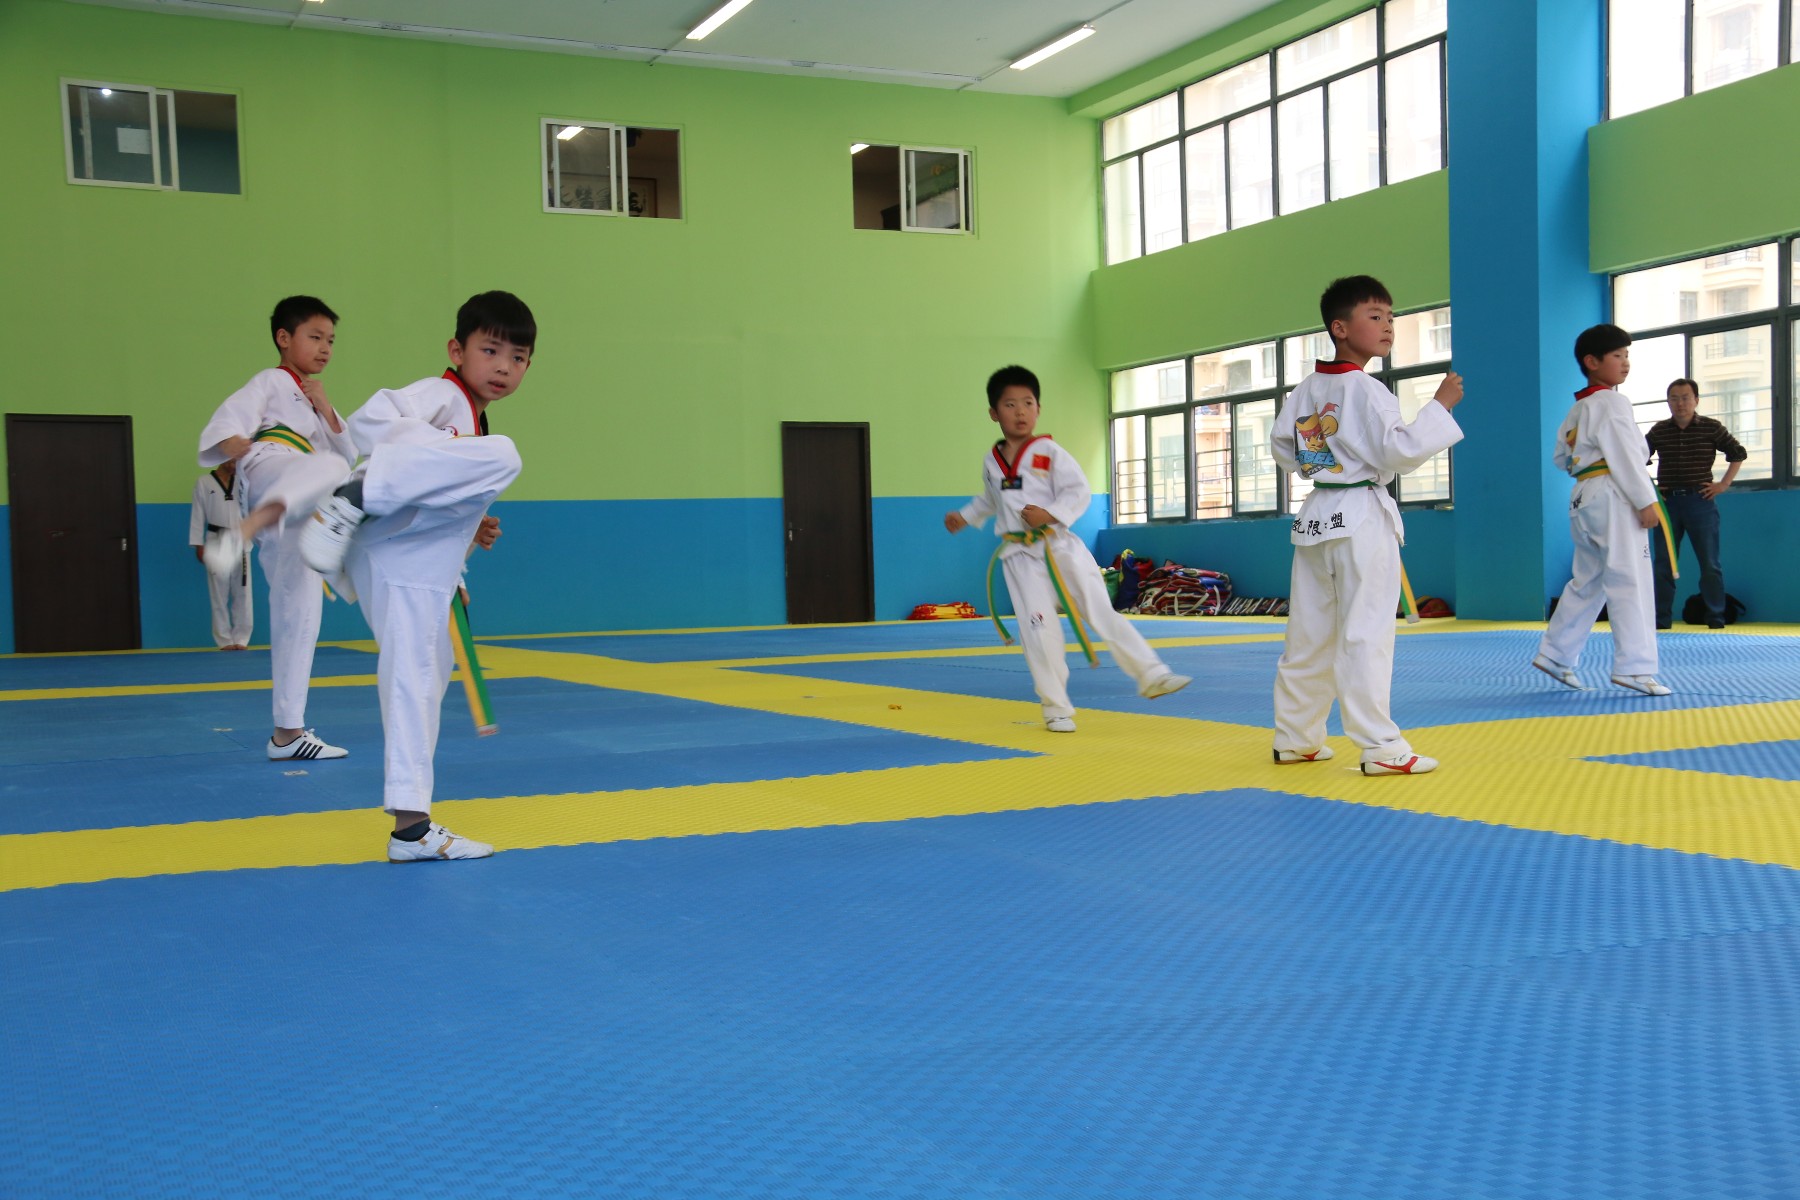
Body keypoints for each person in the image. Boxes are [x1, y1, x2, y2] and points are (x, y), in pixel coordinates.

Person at [296, 291, 532, 863]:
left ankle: (413, 825)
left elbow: (436, 492)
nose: (503, 366)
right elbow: (368, 424)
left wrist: (465, 552)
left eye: (519, 357)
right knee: (504, 454)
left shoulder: (470, 421)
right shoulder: (440, 395)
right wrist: (397, 472)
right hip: (396, 554)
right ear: (457, 350)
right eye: (490, 350)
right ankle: (410, 827)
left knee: (427, 676)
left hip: (426, 565)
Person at [1270, 275, 1464, 776]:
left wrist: (1324, 464)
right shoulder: (1367, 389)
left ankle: (1296, 737)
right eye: (1374, 316)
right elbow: (1398, 452)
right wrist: (1439, 406)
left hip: (1317, 515)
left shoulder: (1307, 389)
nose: (1388, 326)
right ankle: (1381, 747)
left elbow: (1286, 450)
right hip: (1359, 516)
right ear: (1339, 328)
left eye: (1391, 317)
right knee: (1366, 632)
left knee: (1309, 632)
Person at [944, 364, 1190, 733]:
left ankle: (1152, 674)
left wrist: (1050, 514)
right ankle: (1055, 707)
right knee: (1038, 630)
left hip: (1061, 547)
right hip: (1020, 559)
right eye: (1010, 405)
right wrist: (965, 516)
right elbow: (990, 499)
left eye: (1028, 403)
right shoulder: (991, 461)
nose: (1020, 411)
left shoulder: (1049, 452)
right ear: (994, 413)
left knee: (1101, 611)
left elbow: (1078, 491)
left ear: (1038, 408)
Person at [197, 296, 359, 759]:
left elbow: (350, 454)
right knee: (331, 468)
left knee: (299, 613)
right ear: (283, 338)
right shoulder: (271, 381)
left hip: (300, 507)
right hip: (270, 467)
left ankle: (287, 733)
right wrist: (234, 441)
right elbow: (231, 419)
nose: (325, 348)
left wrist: (326, 408)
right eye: (315, 337)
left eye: (331, 340)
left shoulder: (316, 399)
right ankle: (248, 527)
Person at [1532, 324, 1671, 695]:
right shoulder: (1611, 402)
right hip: (1614, 492)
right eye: (1617, 356)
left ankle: (1556, 654)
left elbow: (1561, 457)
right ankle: (1635, 668)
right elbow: (1625, 455)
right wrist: (1645, 501)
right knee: (1630, 578)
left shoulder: (1579, 408)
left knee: (1589, 580)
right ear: (1592, 362)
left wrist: (1589, 467)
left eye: (1627, 355)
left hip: (1584, 495)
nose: (1625, 362)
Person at [1644, 377, 1746, 629]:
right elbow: (1635, 458)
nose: (1680, 403)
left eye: (1685, 398)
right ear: (1668, 402)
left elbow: (1738, 453)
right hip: (1667, 505)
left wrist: (1723, 484)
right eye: (1674, 398)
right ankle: (1660, 620)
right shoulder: (1659, 430)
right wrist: (1651, 489)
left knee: (1710, 564)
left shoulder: (1711, 427)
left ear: (1696, 400)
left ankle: (1716, 618)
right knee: (1663, 563)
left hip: (1700, 501)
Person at [188, 459, 252, 650]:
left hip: (240, 539)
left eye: (236, 462)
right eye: (231, 461)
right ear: (221, 459)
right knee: (218, 593)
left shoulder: (243, 482)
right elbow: (198, 514)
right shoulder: (204, 483)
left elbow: (252, 510)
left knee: (243, 593)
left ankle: (241, 638)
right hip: (215, 540)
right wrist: (198, 544)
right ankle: (224, 639)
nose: (234, 465)